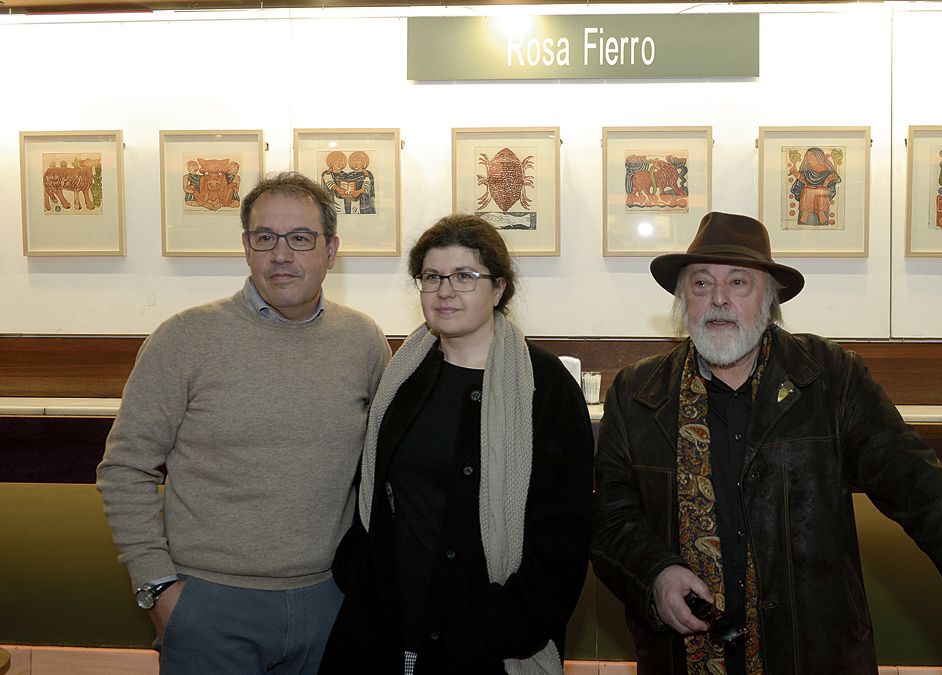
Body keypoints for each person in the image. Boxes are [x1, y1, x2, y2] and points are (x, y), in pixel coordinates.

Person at [589, 211, 942, 673]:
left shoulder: (831, 377)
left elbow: (915, 479)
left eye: (739, 283)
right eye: (701, 284)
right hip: (681, 658)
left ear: (770, 301)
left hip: (813, 654)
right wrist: (656, 574)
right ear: (682, 301)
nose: (719, 300)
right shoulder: (638, 393)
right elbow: (610, 518)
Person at [96, 172, 392, 674]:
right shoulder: (184, 339)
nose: (281, 254)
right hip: (208, 606)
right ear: (246, 247)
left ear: (331, 249)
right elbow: (125, 469)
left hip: (330, 602)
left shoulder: (364, 342)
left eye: (300, 238)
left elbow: (383, 471)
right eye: (265, 238)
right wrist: (158, 588)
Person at [319, 215, 594, 673]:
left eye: (465, 276)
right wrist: (357, 568)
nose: (446, 290)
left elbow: (565, 530)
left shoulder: (544, 388)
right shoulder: (403, 375)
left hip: (485, 643)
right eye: (432, 277)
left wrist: (507, 622)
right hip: (387, 625)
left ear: (499, 288)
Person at [788, 147, 841, 227]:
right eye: (807, 155)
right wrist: (798, 175)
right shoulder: (806, 171)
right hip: (807, 204)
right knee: (807, 190)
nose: (808, 157)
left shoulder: (828, 171)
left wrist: (826, 183)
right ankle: (806, 212)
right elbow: (801, 185)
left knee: (815, 191)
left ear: (818, 156)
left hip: (822, 201)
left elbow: (831, 189)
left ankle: (820, 212)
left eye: (811, 155)